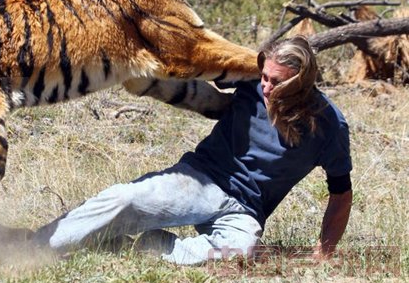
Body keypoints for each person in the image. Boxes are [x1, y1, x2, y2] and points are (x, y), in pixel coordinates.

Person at [33, 36, 353, 265]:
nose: (265, 87)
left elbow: (341, 194)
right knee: (125, 200)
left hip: (245, 210)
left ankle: (151, 247)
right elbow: (197, 64)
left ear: (301, 82)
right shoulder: (250, 78)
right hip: (200, 179)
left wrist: (324, 252)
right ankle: (31, 247)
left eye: (276, 82)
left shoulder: (330, 126)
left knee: (239, 254)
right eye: (264, 77)